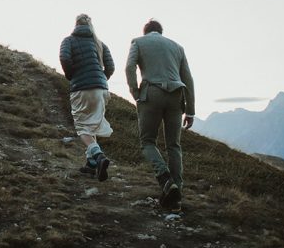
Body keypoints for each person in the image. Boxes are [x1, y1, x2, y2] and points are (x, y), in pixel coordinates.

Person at [125, 19, 195, 210]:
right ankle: (176, 196)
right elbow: (188, 79)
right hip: (176, 96)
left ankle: (165, 179)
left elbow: (129, 67)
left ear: (145, 31)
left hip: (152, 93)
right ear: (161, 32)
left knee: (147, 141)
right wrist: (190, 110)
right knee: (174, 145)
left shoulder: (138, 42)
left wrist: (136, 93)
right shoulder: (177, 47)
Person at [59, 14, 115, 181]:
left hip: (82, 88)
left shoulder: (68, 41)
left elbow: (64, 58)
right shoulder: (99, 43)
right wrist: (101, 78)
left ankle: (99, 156)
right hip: (101, 89)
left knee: (82, 127)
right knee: (91, 125)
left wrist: (71, 75)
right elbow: (111, 66)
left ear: (76, 24)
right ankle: (91, 164)